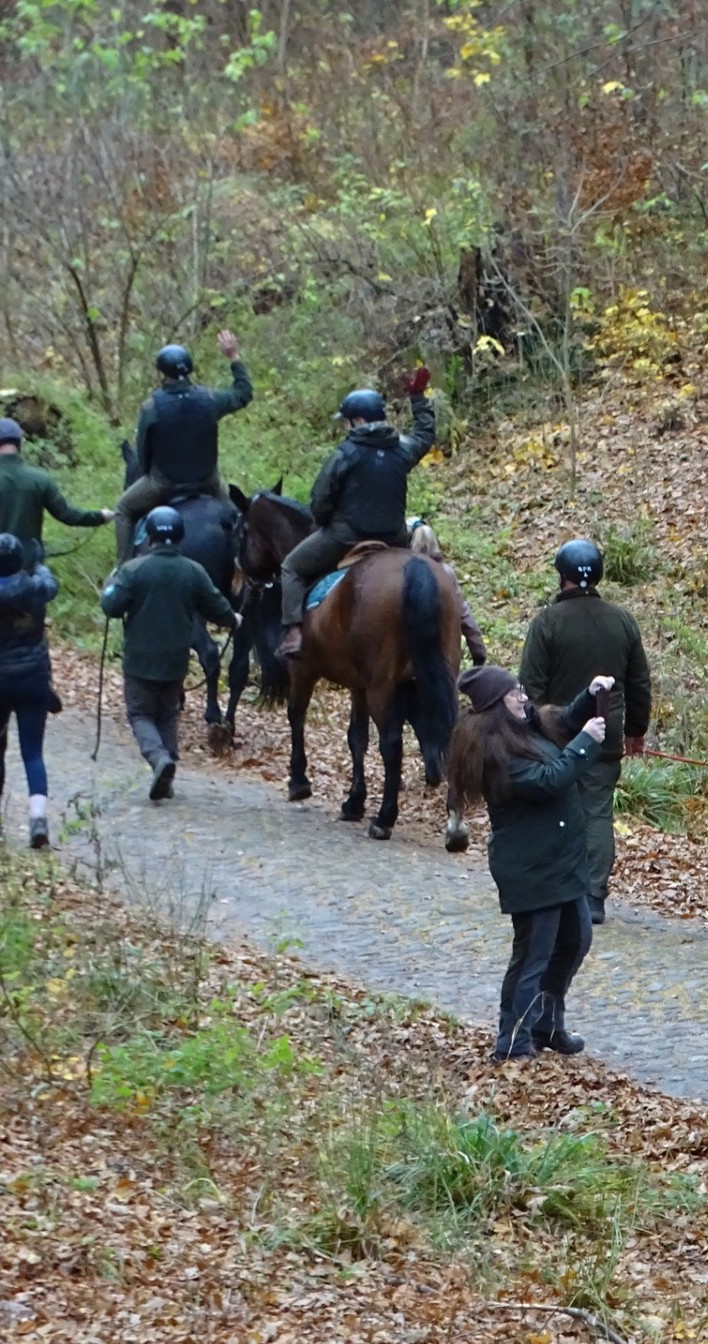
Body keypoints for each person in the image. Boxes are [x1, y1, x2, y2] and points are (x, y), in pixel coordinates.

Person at [445, 664, 609, 1062]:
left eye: (520, 690)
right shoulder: (498, 755)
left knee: (574, 941)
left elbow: (561, 720)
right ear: (496, 708)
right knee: (532, 956)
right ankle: (513, 1040)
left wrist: (588, 697)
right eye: (513, 694)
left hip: (561, 866)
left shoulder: (525, 727)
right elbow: (550, 778)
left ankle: (546, 1024)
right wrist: (586, 743)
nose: (523, 698)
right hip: (533, 872)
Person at [519, 538, 652, 923]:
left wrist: (530, 731)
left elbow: (530, 687)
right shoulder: (622, 620)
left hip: (555, 739)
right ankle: (593, 897)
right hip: (605, 737)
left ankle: (553, 890)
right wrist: (635, 731)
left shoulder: (546, 623)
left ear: (561, 577)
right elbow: (639, 682)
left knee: (550, 810)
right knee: (597, 816)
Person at [278, 369, 435, 657]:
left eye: (348, 422)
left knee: (291, 567)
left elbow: (320, 500)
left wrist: (323, 522)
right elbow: (425, 434)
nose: (346, 428)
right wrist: (417, 398)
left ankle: (293, 632)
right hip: (394, 537)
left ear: (359, 421)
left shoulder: (344, 454)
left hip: (345, 537)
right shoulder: (401, 449)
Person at [98, 506, 239, 801]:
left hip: (140, 659)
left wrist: (109, 588)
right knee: (167, 713)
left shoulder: (133, 569)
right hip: (176, 661)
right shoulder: (193, 571)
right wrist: (233, 620)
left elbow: (111, 606)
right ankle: (168, 767)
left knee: (140, 713)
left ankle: (159, 759)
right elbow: (217, 607)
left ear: (148, 535)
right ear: (179, 535)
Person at [115, 332, 254, 564]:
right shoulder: (210, 399)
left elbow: (143, 455)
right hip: (209, 482)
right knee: (239, 516)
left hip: (163, 484)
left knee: (123, 510)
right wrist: (234, 357)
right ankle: (245, 565)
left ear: (162, 373)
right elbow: (243, 394)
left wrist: (153, 473)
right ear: (189, 369)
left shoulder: (151, 407)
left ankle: (123, 569)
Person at [0, 534, 60, 848]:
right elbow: (50, 583)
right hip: (34, 678)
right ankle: (38, 819)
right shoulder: (36, 588)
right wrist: (41, 563)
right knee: (33, 751)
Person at [0, 418, 111, 575]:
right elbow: (67, 515)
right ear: (19, 443)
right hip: (29, 565)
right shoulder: (40, 479)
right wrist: (100, 516)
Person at [408, 520, 490, 665]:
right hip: (442, 651)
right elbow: (463, 613)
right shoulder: (446, 573)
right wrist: (478, 651)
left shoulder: (402, 574)